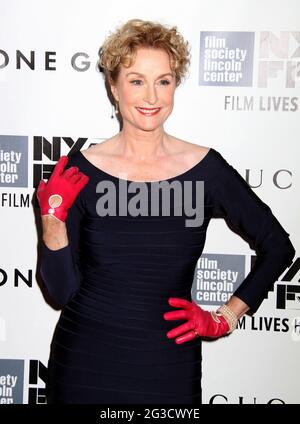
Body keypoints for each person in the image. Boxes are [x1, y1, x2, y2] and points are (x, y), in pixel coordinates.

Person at [37, 18, 295, 404]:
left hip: (169, 366)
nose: (152, 96)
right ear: (113, 86)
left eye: (164, 80)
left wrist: (224, 317)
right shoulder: (76, 173)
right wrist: (52, 221)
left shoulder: (207, 169)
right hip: (85, 366)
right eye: (137, 80)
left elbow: (279, 248)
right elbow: (59, 292)